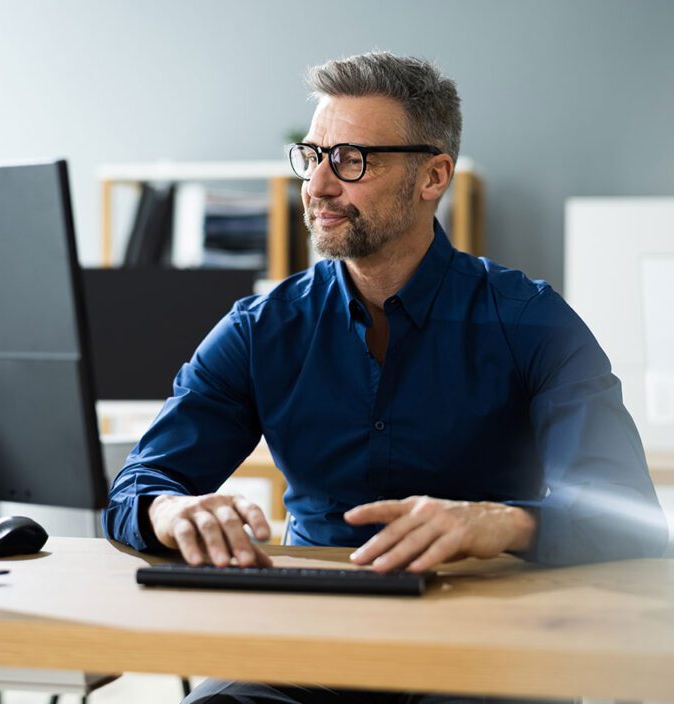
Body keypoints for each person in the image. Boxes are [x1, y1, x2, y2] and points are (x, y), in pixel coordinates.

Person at [101, 51, 668, 704]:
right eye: (312, 157)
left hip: (487, 636)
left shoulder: (532, 322)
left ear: (433, 176)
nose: (316, 187)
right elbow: (137, 488)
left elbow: (631, 520)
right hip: (310, 638)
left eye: (351, 161)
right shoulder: (261, 328)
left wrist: (503, 524)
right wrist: (172, 510)